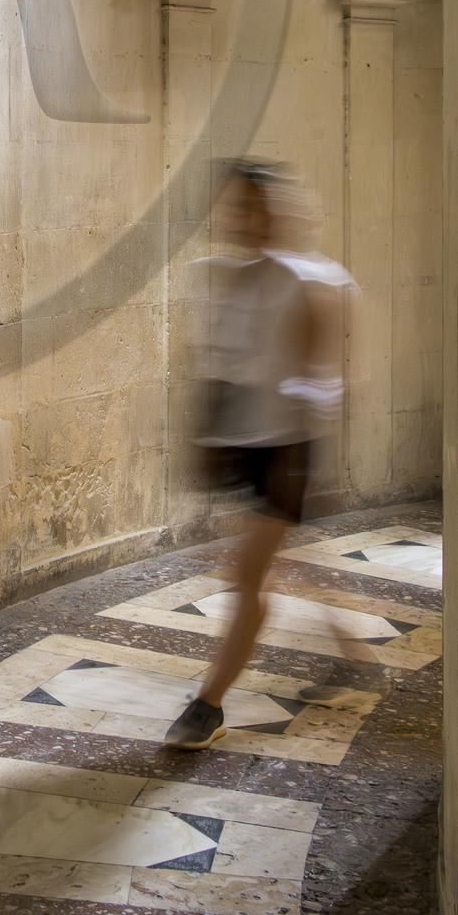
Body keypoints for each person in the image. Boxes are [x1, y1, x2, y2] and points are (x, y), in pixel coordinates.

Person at [164, 161, 350, 750]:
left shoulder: (314, 280)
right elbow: (220, 362)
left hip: (287, 450)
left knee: (246, 575)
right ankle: (354, 656)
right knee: (277, 564)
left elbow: (330, 377)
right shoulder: (223, 276)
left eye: (259, 206)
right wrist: (204, 439)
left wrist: (303, 426)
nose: (248, 219)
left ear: (281, 210)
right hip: (244, 445)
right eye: (238, 208)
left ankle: (208, 704)